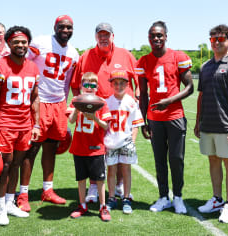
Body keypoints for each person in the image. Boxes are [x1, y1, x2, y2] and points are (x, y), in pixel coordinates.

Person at [16, 15, 79, 212]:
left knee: (51, 147)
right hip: (39, 101)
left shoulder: (74, 53)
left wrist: (66, 103)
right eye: (62, 27)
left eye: (69, 27)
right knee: (31, 148)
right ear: (55, 27)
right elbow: (24, 64)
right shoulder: (41, 42)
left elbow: (68, 79)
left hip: (58, 103)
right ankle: (23, 193)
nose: (66, 30)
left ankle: (47, 190)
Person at [71, 22, 138, 203]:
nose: (103, 37)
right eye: (100, 34)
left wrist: (135, 103)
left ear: (112, 36)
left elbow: (138, 83)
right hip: (96, 113)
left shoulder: (126, 55)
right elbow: (76, 85)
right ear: (95, 37)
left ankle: (120, 185)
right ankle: (94, 185)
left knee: (122, 148)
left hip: (120, 112)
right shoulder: (86, 56)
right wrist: (82, 106)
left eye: (106, 34)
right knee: (96, 151)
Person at [136, 21, 194, 214]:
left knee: (176, 158)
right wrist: (144, 120)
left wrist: (169, 101)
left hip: (175, 116)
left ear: (166, 36)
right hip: (154, 118)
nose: (156, 38)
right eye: (153, 35)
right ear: (149, 38)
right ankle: (163, 197)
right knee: (159, 159)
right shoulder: (144, 61)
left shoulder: (178, 57)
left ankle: (177, 197)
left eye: (159, 35)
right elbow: (143, 94)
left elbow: (189, 87)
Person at [0, 26, 40, 225]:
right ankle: (0, 208)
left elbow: (35, 99)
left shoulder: (33, 67)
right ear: (9, 44)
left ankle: (9, 203)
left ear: (28, 44)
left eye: (24, 42)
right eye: (16, 42)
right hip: (5, 124)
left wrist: (37, 125)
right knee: (4, 166)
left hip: (25, 124)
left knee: (16, 164)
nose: (20, 45)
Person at [194, 24, 228, 223]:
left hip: (227, 126)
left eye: (221, 39)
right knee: (213, 161)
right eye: (213, 39)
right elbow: (201, 96)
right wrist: (198, 121)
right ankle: (217, 199)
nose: (217, 42)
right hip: (208, 124)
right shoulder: (206, 66)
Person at [68, 72, 113, 221]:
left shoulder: (101, 102)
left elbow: (106, 126)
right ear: (81, 86)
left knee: (99, 180)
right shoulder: (76, 100)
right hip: (79, 147)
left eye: (92, 85)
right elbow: (72, 120)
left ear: (97, 87)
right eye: (86, 85)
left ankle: (103, 207)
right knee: (81, 179)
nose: (89, 88)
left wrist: (95, 117)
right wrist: (77, 107)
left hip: (96, 148)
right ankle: (82, 205)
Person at [104, 70, 144, 214]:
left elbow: (135, 124)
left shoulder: (131, 102)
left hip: (126, 140)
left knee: (126, 170)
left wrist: (132, 141)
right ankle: (111, 198)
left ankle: (126, 198)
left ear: (127, 85)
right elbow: (104, 124)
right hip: (111, 140)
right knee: (111, 170)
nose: (119, 86)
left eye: (122, 83)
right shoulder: (107, 102)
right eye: (116, 83)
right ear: (111, 85)